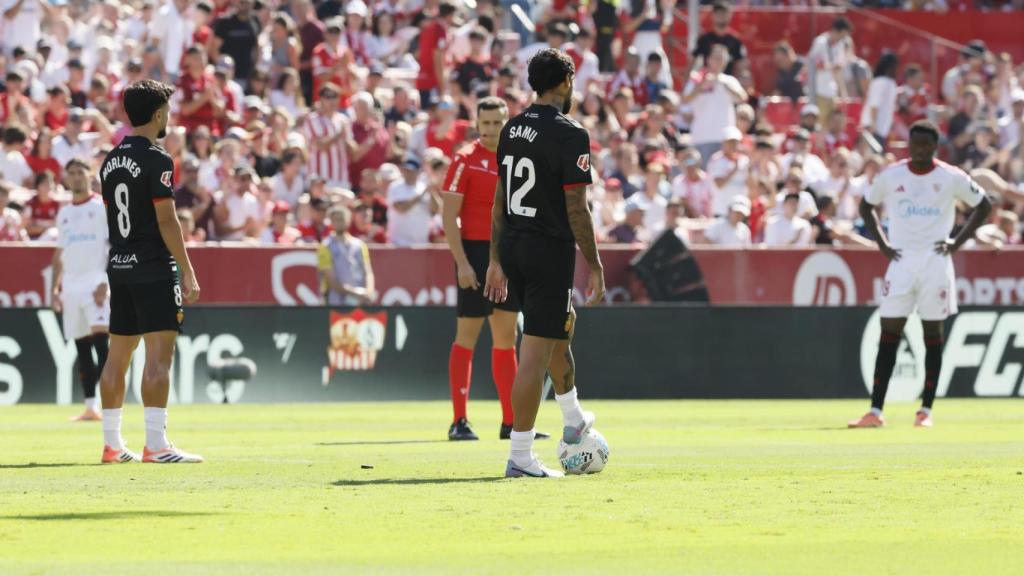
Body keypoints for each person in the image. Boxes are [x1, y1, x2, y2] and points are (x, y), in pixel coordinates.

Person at [483, 48, 603, 478]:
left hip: (513, 245)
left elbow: (500, 197)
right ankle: (520, 456)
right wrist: (595, 264)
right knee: (533, 353)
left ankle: (573, 418)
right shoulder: (570, 133)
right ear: (566, 81)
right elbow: (577, 208)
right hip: (547, 250)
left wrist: (495, 258)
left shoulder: (512, 128)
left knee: (559, 329)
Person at [850, 121, 992, 429]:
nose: (920, 150)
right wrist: (883, 244)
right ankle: (875, 411)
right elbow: (865, 207)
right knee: (889, 333)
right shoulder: (892, 175)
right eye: (915, 145)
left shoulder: (950, 177)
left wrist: (956, 242)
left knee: (932, 335)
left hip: (935, 262)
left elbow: (984, 206)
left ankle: (925, 410)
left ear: (935, 147)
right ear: (909, 145)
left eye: (926, 145)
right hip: (901, 262)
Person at [97, 80, 202, 464]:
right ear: (158, 114)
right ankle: (156, 444)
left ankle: (112, 444)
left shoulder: (110, 160)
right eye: (167, 112)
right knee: (159, 357)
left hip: (120, 265)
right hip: (153, 266)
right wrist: (187, 270)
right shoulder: (158, 159)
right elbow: (167, 221)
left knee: (117, 357)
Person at [440, 96, 549, 442]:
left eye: (497, 122)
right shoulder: (464, 160)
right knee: (467, 337)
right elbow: (449, 217)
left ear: (507, 122)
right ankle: (459, 420)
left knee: (506, 339)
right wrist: (462, 263)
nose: (491, 129)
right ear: (477, 123)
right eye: (485, 123)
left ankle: (511, 422)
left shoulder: (515, 158)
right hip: (475, 253)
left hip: (508, 254)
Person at [51, 158, 109, 422]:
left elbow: (114, 245)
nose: (76, 177)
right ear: (66, 178)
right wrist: (55, 288)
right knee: (82, 348)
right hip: (71, 288)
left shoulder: (101, 208)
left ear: (90, 175)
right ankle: (90, 406)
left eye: (80, 172)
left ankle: (110, 403)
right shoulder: (64, 214)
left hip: (96, 284)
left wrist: (106, 280)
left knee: (102, 344)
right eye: (71, 173)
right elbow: (59, 253)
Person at [317, 205, 375, 305]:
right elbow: (331, 281)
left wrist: (368, 292)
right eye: (335, 220)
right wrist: (355, 293)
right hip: (336, 302)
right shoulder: (325, 247)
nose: (339, 222)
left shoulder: (360, 245)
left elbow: (368, 272)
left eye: (341, 219)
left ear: (348, 220)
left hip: (360, 301)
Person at [807, 17, 852, 122]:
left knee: (830, 124)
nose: (842, 38)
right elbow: (815, 65)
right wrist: (831, 66)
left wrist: (843, 93)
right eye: (842, 35)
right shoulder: (820, 42)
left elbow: (838, 69)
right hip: (818, 91)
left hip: (832, 92)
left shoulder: (840, 45)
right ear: (835, 30)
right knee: (819, 122)